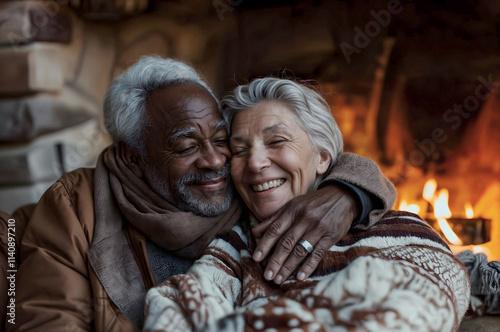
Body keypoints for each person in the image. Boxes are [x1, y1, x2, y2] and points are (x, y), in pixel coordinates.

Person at [6, 57, 396, 331]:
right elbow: (49, 319)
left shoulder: (249, 186)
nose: (214, 160)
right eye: (186, 145)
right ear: (134, 155)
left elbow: (316, 158)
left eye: (221, 139)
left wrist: (347, 193)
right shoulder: (79, 207)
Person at [143, 77, 471, 332]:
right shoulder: (235, 247)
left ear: (323, 158)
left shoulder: (399, 229)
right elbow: (177, 307)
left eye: (277, 141)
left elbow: (423, 304)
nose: (255, 163)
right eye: (240, 150)